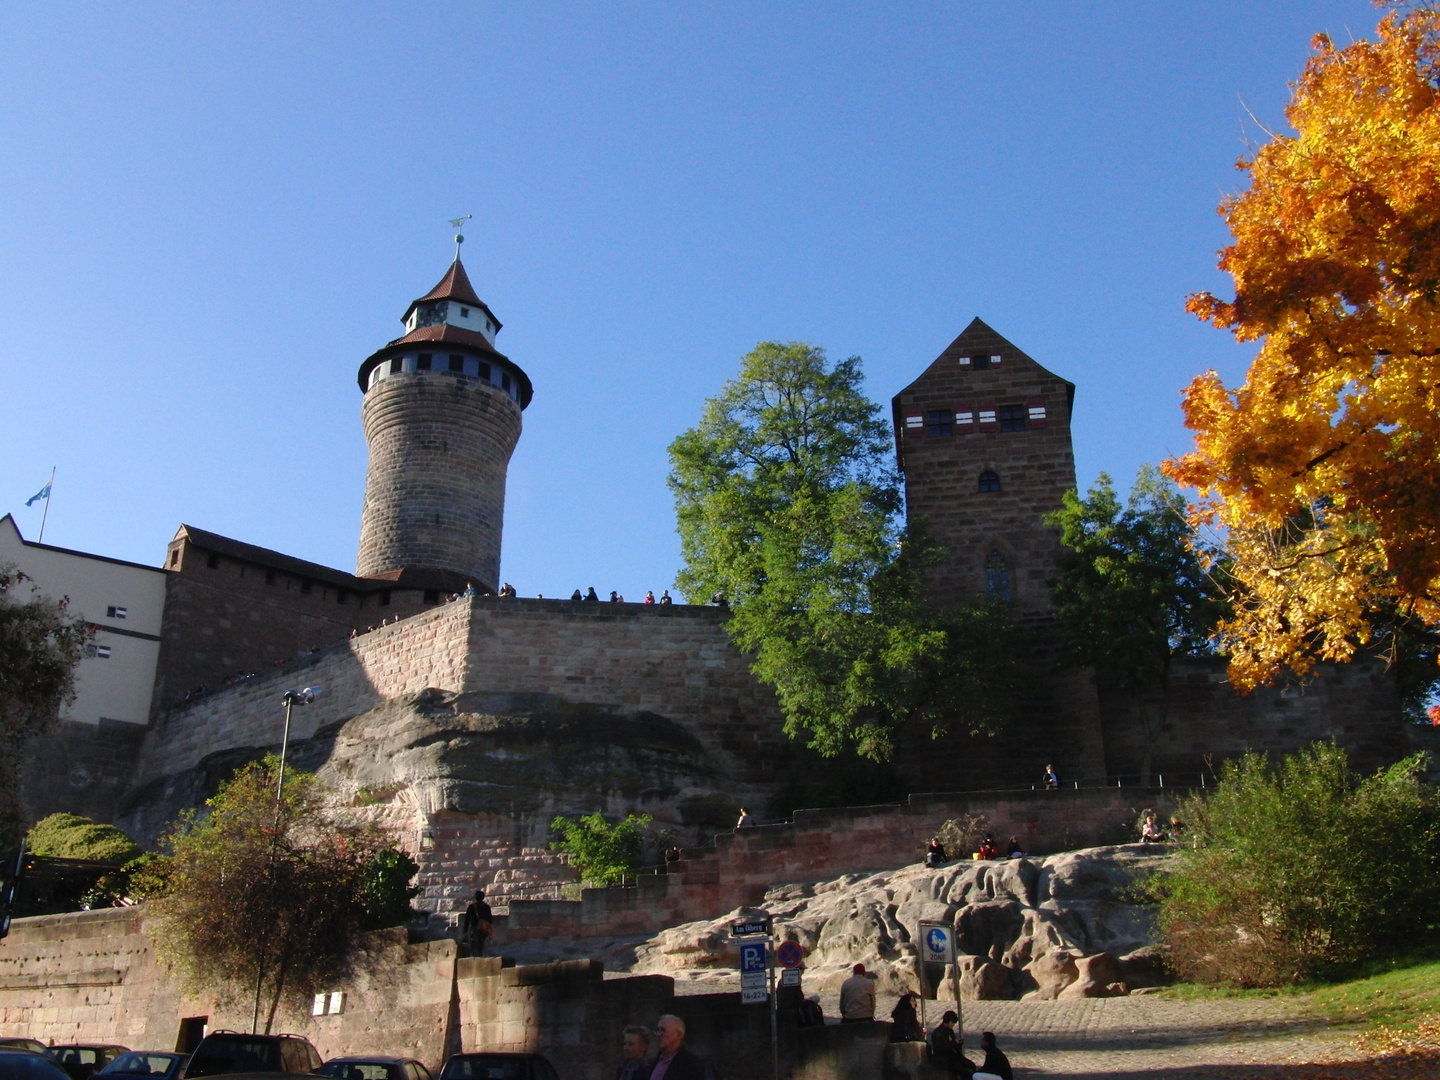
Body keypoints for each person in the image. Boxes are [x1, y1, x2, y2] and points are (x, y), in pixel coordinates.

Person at [650, 1015, 706, 1080]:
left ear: (678, 1035)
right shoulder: (655, 1062)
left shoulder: (690, 1064)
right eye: (657, 1030)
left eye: (663, 1030)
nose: (658, 1034)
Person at [929, 1012, 974, 1077]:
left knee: (971, 1066)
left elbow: (952, 1043)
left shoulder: (949, 1031)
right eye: (952, 1023)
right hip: (944, 1059)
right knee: (963, 1071)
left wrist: (958, 1044)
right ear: (949, 1021)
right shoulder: (937, 1033)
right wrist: (952, 1043)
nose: (953, 1025)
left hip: (953, 1057)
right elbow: (939, 1049)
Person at [461, 889, 493, 957]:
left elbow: (467, 919)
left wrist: (465, 931)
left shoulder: (472, 907)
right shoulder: (487, 907)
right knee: (481, 945)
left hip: (474, 928)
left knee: (474, 945)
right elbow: (490, 920)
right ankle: (480, 958)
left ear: (475, 897)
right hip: (484, 929)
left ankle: (475, 960)